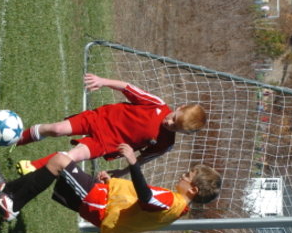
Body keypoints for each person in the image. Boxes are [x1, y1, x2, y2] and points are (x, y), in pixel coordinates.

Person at [0, 144, 222, 233]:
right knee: (60, 163)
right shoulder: (177, 206)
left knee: (60, 161)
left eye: (188, 175)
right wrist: (112, 183)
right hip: (104, 199)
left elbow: (146, 197)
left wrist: (133, 163)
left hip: (101, 205)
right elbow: (137, 202)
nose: (183, 175)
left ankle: (12, 205)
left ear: (194, 189)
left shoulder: (173, 202)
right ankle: (10, 191)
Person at [14, 73, 206, 176]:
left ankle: (33, 167)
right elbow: (128, 88)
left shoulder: (166, 143)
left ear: (183, 133)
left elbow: (141, 159)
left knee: (72, 157)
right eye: (173, 118)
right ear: (180, 107)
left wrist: (122, 172)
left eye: (175, 127)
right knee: (56, 129)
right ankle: (17, 139)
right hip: (99, 118)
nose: (169, 123)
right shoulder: (157, 105)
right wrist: (103, 81)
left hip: (106, 144)